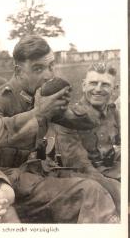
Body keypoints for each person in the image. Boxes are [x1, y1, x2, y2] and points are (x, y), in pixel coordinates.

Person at [0, 35, 119, 223]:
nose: (48, 75)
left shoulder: (41, 95)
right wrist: (39, 113)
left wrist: (67, 107)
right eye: (38, 68)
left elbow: (88, 121)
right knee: (89, 191)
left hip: (39, 172)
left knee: (110, 186)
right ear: (18, 70)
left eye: (51, 66)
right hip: (7, 180)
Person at [47, 62, 120, 214]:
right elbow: (80, 166)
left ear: (114, 89)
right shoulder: (68, 118)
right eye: (93, 83)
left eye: (105, 85)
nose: (98, 89)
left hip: (111, 170)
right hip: (83, 177)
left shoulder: (114, 112)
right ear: (83, 85)